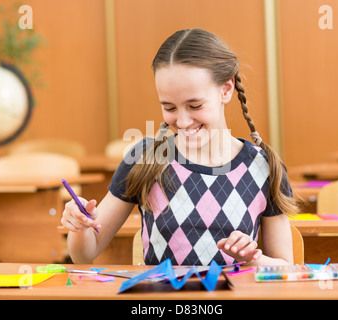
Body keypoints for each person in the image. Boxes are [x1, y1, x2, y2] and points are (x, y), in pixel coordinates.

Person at [61, 29, 298, 266]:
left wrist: (252, 258)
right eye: (169, 107)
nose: (182, 122)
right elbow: (85, 254)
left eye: (195, 105)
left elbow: (286, 267)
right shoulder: (145, 158)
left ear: (226, 90)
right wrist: (80, 226)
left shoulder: (263, 165)